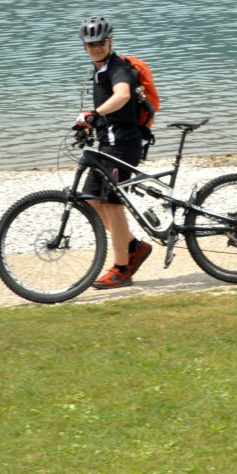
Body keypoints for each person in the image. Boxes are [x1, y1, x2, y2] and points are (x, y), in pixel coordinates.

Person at [74, 16, 153, 290]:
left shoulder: (119, 68)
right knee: (91, 200)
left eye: (100, 42)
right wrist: (88, 125)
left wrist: (95, 113)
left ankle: (121, 269)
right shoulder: (99, 70)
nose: (95, 47)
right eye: (90, 43)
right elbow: (105, 112)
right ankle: (133, 246)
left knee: (112, 203)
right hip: (107, 144)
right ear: (84, 46)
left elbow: (122, 96)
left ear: (110, 42)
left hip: (123, 144)